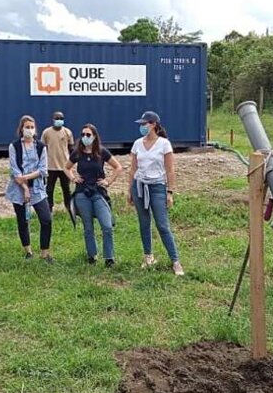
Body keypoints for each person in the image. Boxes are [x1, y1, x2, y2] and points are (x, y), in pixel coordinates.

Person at [127, 111, 184, 276]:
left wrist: (170, 192)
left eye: (144, 124)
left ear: (153, 124)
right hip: (139, 186)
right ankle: (148, 256)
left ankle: (175, 261)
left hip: (157, 186)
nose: (141, 127)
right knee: (144, 223)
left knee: (162, 224)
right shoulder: (137, 144)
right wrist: (129, 190)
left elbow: (170, 170)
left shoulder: (164, 144)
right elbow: (132, 169)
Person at [65, 124, 123, 266]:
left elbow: (118, 167)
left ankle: (109, 258)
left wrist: (108, 181)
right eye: (83, 134)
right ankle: (92, 255)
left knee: (107, 225)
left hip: (98, 192)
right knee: (88, 227)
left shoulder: (101, 152)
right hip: (82, 193)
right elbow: (66, 167)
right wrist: (73, 178)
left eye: (88, 135)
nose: (85, 137)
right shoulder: (77, 153)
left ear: (95, 136)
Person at [6, 115, 54, 262]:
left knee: (46, 219)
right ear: (21, 129)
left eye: (32, 127)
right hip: (18, 188)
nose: (29, 130)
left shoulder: (41, 147)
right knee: (23, 221)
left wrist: (26, 178)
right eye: (27, 127)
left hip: (38, 188)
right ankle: (28, 251)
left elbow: (42, 169)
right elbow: (15, 170)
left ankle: (45, 253)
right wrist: (24, 188)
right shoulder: (14, 146)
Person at [41, 111, 74, 212]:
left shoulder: (67, 132)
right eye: (57, 118)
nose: (59, 120)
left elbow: (71, 148)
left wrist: (71, 164)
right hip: (51, 166)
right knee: (49, 189)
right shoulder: (46, 132)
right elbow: (43, 148)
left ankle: (69, 207)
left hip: (65, 167)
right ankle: (49, 208)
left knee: (66, 189)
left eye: (61, 118)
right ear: (53, 119)